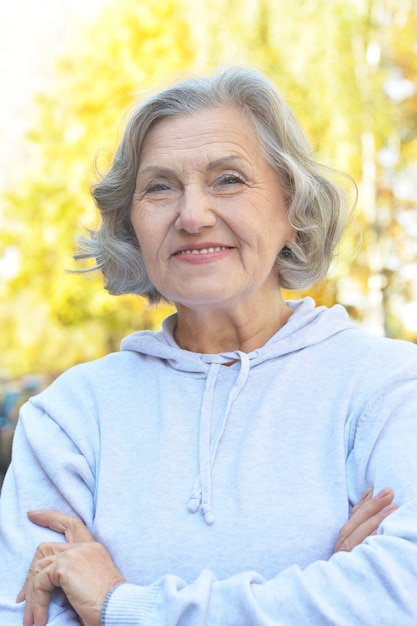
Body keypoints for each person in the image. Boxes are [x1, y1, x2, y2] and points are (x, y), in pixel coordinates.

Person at [0, 66, 416, 626]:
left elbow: (400, 595)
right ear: (132, 223)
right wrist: (325, 592)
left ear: (292, 209)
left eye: (228, 180)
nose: (193, 215)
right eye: (160, 187)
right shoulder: (71, 417)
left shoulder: (389, 389)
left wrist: (120, 607)